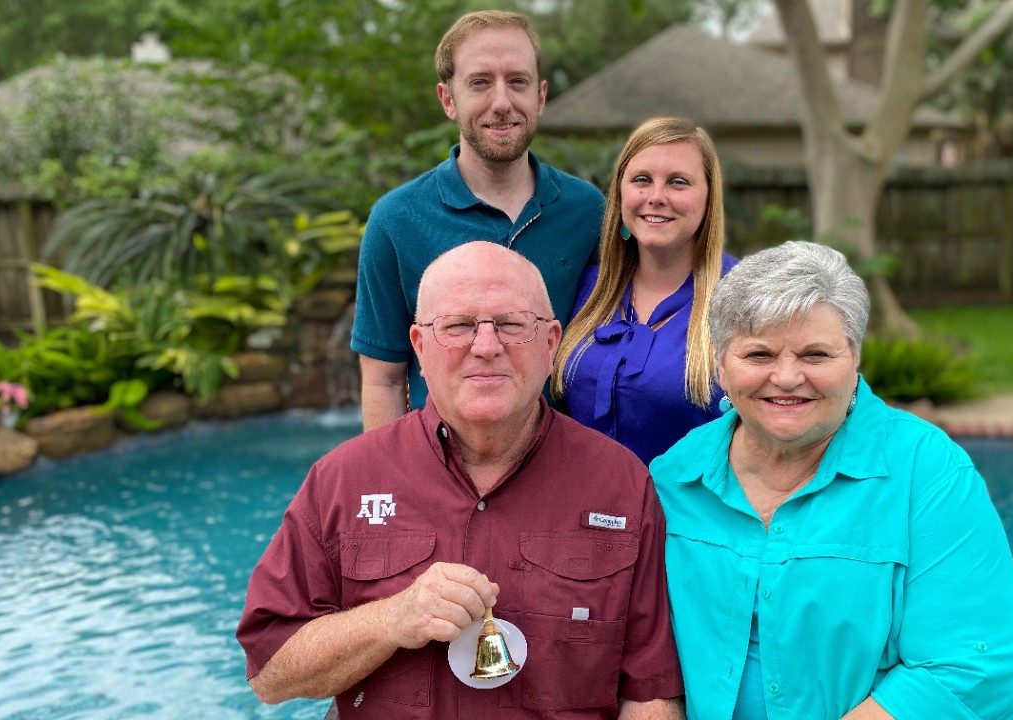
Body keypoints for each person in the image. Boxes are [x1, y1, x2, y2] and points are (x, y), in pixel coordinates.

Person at [239, 242, 684, 720]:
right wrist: (392, 618)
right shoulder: (343, 479)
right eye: (458, 326)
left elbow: (650, 691)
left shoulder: (620, 484)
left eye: (512, 324)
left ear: (551, 343)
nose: (486, 346)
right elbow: (270, 670)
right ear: (419, 347)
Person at [650, 241, 1013, 720]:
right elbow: (642, 656)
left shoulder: (926, 469)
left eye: (816, 354)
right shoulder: (672, 479)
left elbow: (978, 663)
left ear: (854, 359)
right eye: (759, 354)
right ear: (720, 364)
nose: (788, 377)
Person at [350, 10, 604, 432]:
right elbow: (384, 379)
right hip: (441, 470)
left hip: (561, 472)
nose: (502, 103)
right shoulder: (396, 220)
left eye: (518, 82)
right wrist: (399, 482)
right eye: (480, 83)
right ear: (448, 99)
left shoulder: (587, 211)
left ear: (541, 96)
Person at [552, 117, 736, 465]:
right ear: (620, 191)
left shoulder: (742, 297)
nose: (656, 197)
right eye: (641, 180)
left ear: (709, 197)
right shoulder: (585, 289)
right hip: (578, 513)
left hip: (686, 515)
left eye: (678, 182)